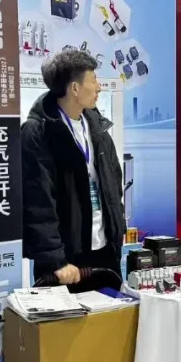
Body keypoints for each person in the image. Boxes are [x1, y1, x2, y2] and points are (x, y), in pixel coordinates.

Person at [20, 49, 125, 288]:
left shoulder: (98, 128)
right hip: (65, 260)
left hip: (105, 252)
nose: (99, 87)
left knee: (112, 311)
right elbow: (37, 202)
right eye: (93, 80)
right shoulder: (38, 132)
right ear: (75, 89)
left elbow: (113, 185)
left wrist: (117, 235)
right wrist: (55, 259)